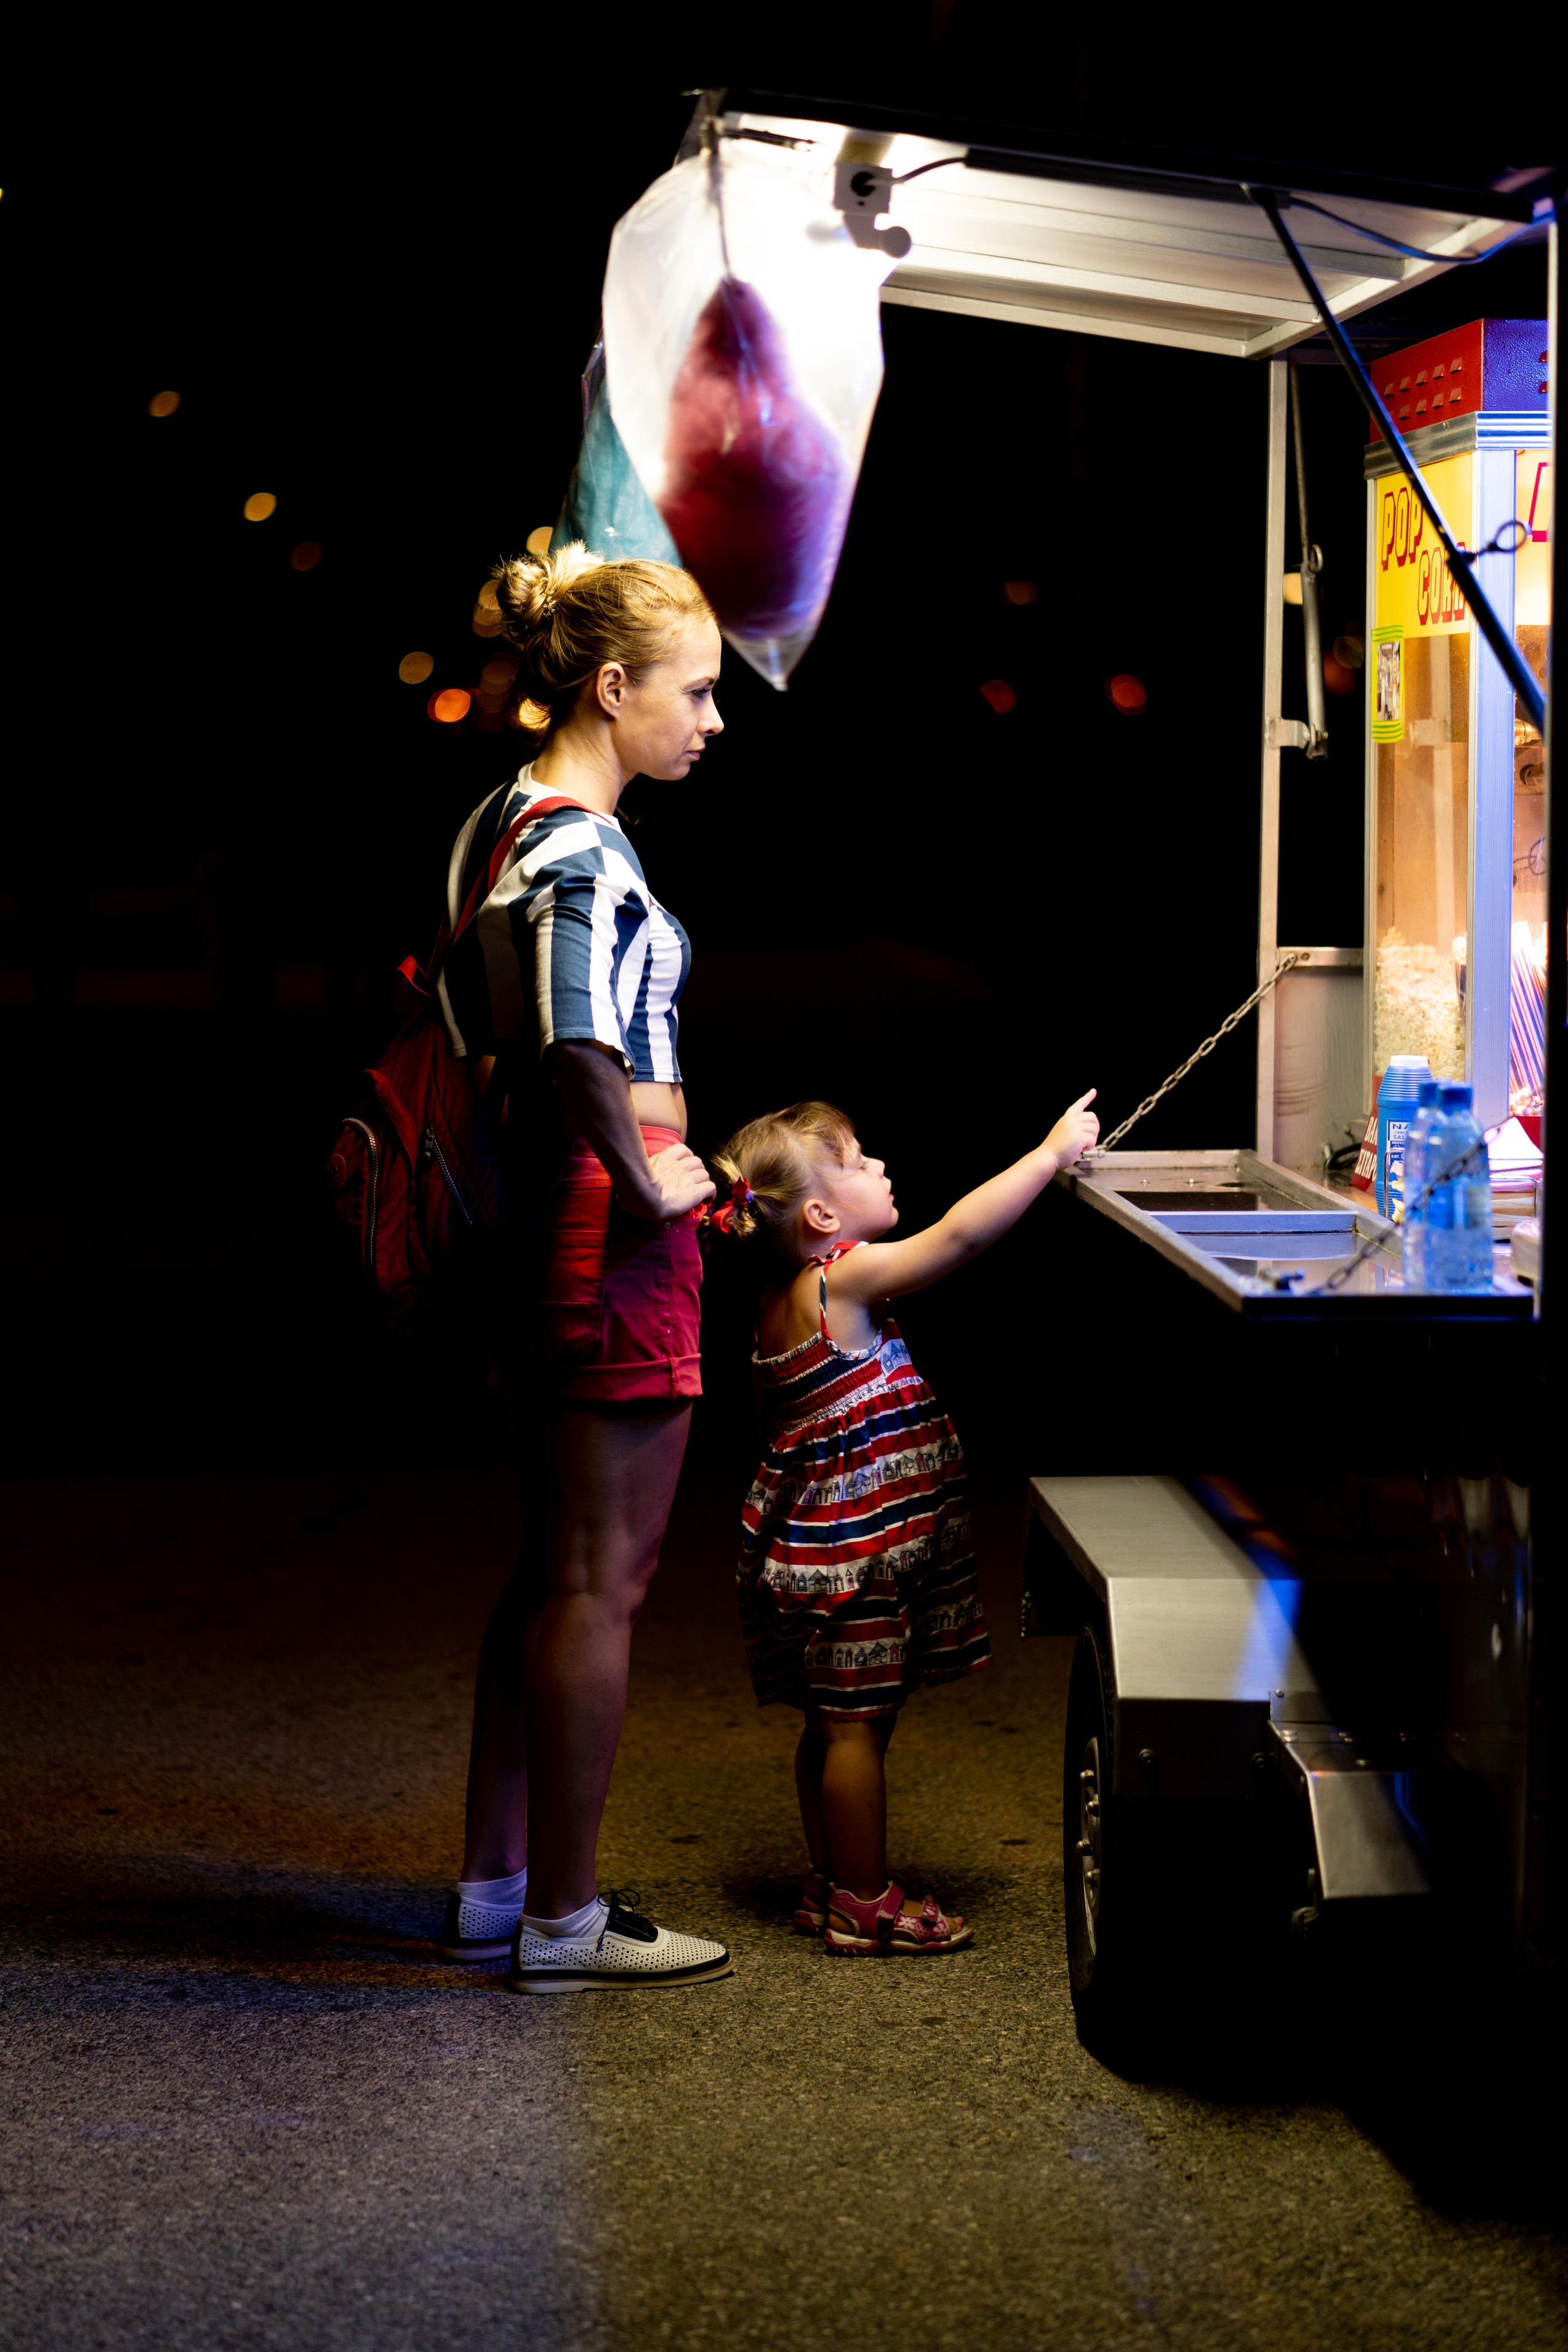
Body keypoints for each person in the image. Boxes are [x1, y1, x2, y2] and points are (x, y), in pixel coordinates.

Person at [436, 542, 732, 1994]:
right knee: (602, 1583)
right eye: (693, 691)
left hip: (537, 1218)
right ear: (611, 690)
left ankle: (499, 1890)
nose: (711, 720)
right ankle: (561, 1918)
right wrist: (641, 1175)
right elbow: (571, 1041)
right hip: (604, 1235)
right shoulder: (581, 845)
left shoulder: (501, 816)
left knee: (548, 1575)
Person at [707, 1090, 1099, 1956]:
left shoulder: (780, 1297)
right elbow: (956, 1238)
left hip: (817, 1552)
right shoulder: (838, 1277)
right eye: (856, 1162)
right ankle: (865, 1901)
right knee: (856, 1728)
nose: (878, 1167)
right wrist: (1047, 1153)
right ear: (818, 1214)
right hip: (856, 1561)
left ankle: (832, 1880)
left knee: (832, 1722)